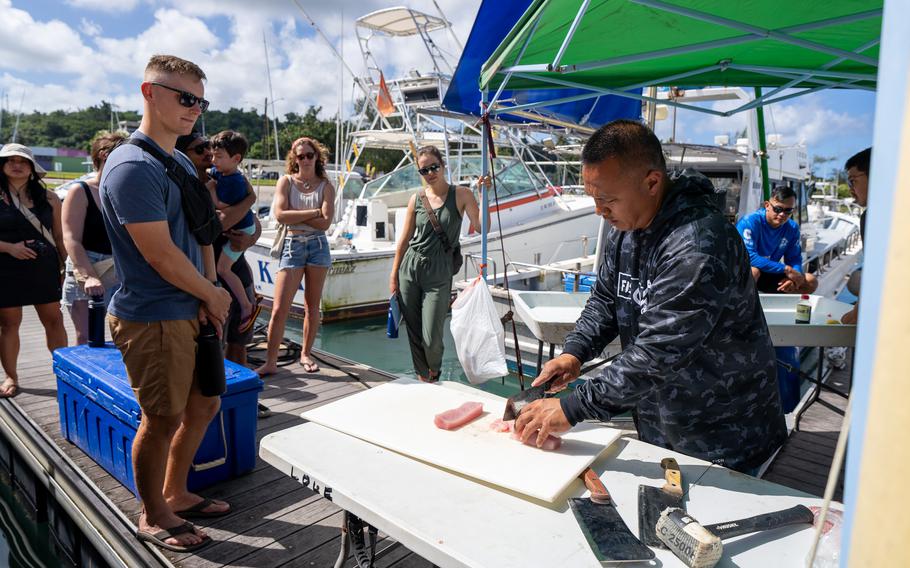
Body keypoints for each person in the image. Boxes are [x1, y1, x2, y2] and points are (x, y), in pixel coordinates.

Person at [514, 120, 787, 474]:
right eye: (594, 200)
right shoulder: (627, 227)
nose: (599, 211)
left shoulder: (699, 244)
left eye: (606, 200)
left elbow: (659, 350)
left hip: (727, 438)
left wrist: (573, 408)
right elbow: (605, 301)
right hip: (663, 430)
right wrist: (574, 352)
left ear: (652, 182)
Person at [99, 54, 232, 552]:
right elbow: (157, 253)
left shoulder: (176, 159)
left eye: (200, 100)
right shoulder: (131, 167)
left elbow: (200, 230)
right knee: (161, 417)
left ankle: (175, 491)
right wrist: (211, 292)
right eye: (184, 97)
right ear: (148, 92)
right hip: (152, 315)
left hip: (192, 306)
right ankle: (152, 513)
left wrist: (206, 294)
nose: (194, 108)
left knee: (205, 402)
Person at [175, 132, 269, 418]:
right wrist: (250, 199)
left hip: (234, 270)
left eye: (209, 147)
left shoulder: (226, 181)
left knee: (239, 343)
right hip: (207, 277)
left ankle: (243, 396)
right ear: (183, 154)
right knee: (210, 346)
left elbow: (254, 224)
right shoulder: (188, 185)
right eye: (199, 148)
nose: (207, 153)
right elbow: (225, 220)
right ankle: (209, 405)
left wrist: (250, 239)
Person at [388, 146, 485, 383]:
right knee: (413, 331)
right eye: (424, 170)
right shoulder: (417, 199)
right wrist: (393, 276)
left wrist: (483, 195)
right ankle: (424, 378)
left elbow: (482, 227)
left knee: (431, 337)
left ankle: (434, 371)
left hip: (439, 271)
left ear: (443, 166)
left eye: (434, 167)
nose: (430, 173)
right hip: (410, 268)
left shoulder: (461, 194)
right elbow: (404, 240)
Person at [255, 137, 335, 376]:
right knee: (280, 308)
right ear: (295, 159)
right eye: (301, 156)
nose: (306, 160)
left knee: (312, 307)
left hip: (318, 246)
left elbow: (326, 223)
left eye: (310, 155)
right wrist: (312, 211)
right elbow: (280, 215)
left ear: (317, 157)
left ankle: (306, 354)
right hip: (292, 245)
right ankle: (271, 361)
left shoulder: (326, 186)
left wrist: (296, 214)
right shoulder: (286, 182)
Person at [0, 143, 68, 398]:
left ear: (31, 167)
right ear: (3, 166)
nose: (16, 165)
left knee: (54, 320)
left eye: (23, 161)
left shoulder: (49, 197)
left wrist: (67, 268)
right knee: (8, 324)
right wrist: (9, 248)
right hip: (5, 268)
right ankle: (11, 376)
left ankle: (64, 374)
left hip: (44, 267)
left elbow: (60, 237)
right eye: (10, 160)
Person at [61, 132, 126, 345]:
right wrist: (88, 276)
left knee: (124, 334)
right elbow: (71, 238)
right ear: (104, 156)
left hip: (117, 265)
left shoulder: (126, 192)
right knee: (87, 336)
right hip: (85, 264)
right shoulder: (80, 191)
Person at [207, 130, 257, 330]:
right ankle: (251, 293)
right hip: (239, 228)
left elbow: (221, 206)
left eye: (218, 157)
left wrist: (210, 189)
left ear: (236, 158)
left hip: (242, 228)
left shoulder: (235, 181)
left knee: (223, 269)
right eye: (212, 156)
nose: (213, 160)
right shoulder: (223, 172)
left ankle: (246, 305)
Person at [736, 185, 817, 294]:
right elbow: (749, 257)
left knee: (811, 281)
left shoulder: (792, 228)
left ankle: (782, 308)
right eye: (778, 209)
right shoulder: (749, 222)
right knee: (753, 272)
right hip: (745, 270)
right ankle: (744, 309)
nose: (782, 214)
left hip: (769, 271)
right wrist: (786, 270)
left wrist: (794, 277)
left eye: (788, 210)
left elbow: (794, 258)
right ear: (767, 205)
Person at [840, 147, 871, 325]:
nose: (851, 189)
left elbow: (879, 274)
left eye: (853, 181)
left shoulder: (872, 217)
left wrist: (856, 314)